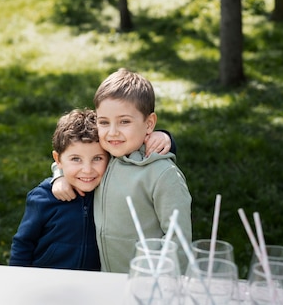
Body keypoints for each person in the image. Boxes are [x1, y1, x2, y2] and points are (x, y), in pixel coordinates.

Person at [53, 69, 192, 273]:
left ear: (149, 123)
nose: (112, 132)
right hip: (105, 278)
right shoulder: (103, 156)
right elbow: (70, 158)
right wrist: (59, 176)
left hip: (148, 284)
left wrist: (158, 283)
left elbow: (178, 242)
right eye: (104, 122)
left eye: (124, 121)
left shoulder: (163, 175)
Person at [9, 108, 173, 270]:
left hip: (96, 281)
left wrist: (163, 136)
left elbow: (141, 151)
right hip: (48, 281)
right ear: (58, 159)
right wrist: (17, 279)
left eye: (97, 158)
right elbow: (23, 245)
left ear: (110, 157)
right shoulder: (43, 197)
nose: (87, 170)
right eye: (76, 159)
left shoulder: (110, 189)